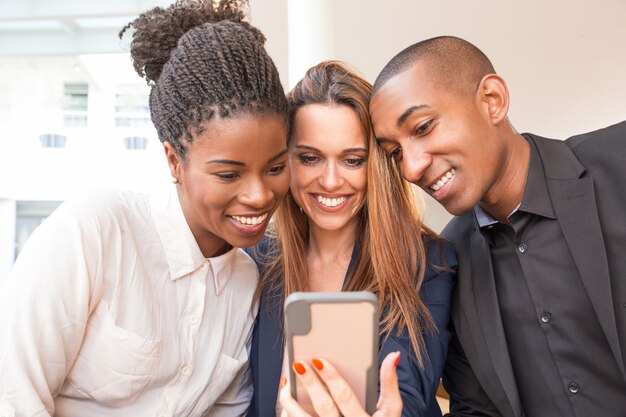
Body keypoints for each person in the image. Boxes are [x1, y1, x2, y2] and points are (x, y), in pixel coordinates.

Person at [0, 0, 291, 415]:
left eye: (276, 167)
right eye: (229, 175)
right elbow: (13, 395)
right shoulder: (96, 231)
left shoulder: (250, 282)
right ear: (174, 161)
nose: (260, 195)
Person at [368, 35, 626, 417]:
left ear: (492, 100)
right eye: (395, 153)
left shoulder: (618, 161)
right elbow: (476, 409)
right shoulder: (447, 262)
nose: (411, 168)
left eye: (422, 127)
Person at [246, 61, 456, 417]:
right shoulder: (254, 260)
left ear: (375, 165)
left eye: (352, 160)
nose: (330, 181)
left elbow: (409, 398)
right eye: (310, 158)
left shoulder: (427, 264)